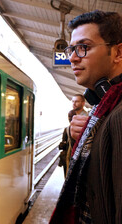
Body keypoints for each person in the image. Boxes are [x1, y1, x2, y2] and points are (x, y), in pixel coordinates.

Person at [50, 10, 122, 224]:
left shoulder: (118, 115)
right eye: (72, 48)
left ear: (118, 53)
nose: (72, 57)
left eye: (84, 47)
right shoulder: (105, 108)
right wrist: (79, 136)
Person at [58, 109, 76, 178]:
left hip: (71, 156)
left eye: (71, 116)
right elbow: (63, 143)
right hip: (68, 156)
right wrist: (62, 144)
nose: (70, 118)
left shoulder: (68, 129)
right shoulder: (66, 129)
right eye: (69, 116)